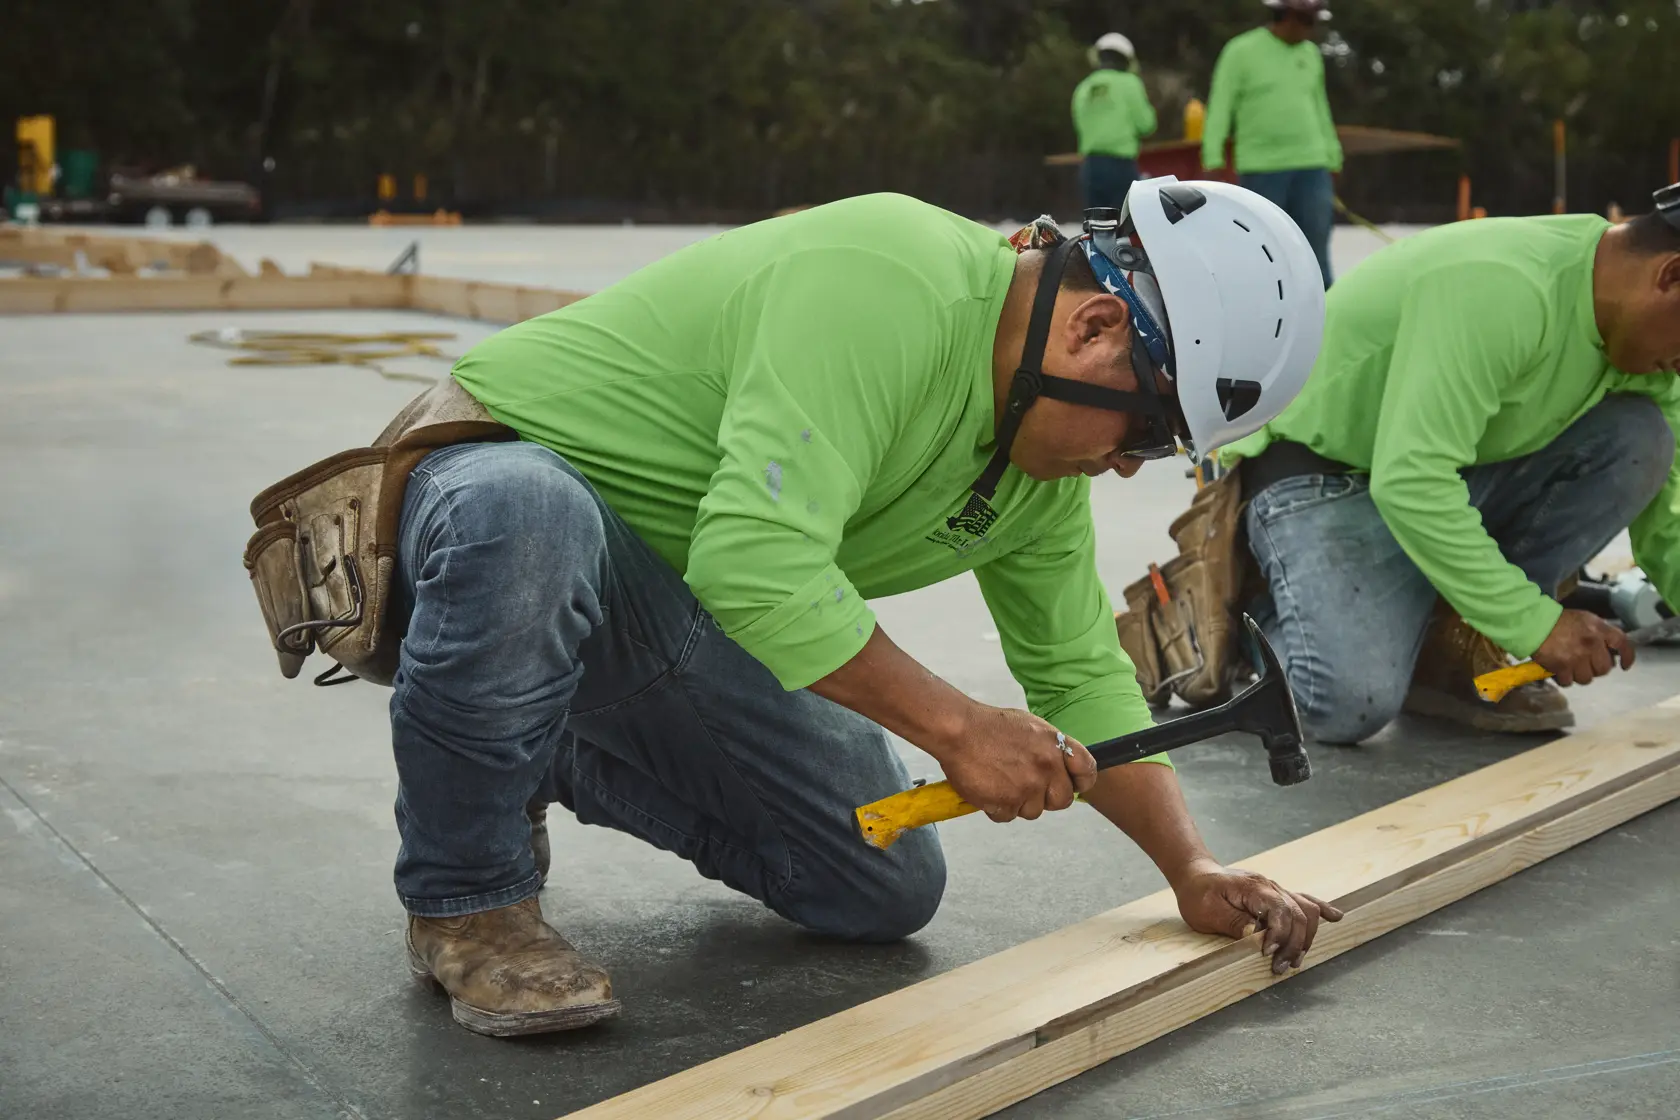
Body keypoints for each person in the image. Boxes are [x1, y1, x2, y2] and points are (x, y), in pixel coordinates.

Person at [390, 178, 1338, 1038]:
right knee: (531, 512)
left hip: (667, 603)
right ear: (1093, 329)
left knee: (879, 882)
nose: (1132, 463)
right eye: (1148, 428)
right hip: (482, 505)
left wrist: (1192, 870)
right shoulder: (885, 274)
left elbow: (1078, 673)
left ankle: (531, 743)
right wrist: (960, 728)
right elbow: (755, 560)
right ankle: (468, 897)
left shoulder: (1040, 477)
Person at [1217, 185, 1680, 745]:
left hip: (1434, 476)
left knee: (1644, 434)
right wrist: (1540, 624)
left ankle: (1456, 639)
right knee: (1343, 704)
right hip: (1315, 477)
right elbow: (1411, 481)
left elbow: (1669, 522)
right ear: (1671, 276)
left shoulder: (1651, 353)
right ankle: (1250, 619)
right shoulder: (1505, 287)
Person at [1202, 0, 1342, 289]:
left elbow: (1320, 107)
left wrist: (1333, 155)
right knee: (1263, 251)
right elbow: (1220, 105)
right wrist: (1212, 156)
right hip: (1262, 168)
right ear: (1287, 15)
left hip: (1312, 165)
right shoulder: (1241, 51)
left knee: (1315, 250)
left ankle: (1325, 313)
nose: (1311, 29)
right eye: (1308, 20)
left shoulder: (1311, 54)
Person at [1072, 33, 1158, 211]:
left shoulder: (1084, 87)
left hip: (1090, 166)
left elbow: (1078, 123)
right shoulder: (1130, 83)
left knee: (1095, 227)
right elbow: (1147, 124)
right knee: (1123, 225)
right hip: (1121, 167)